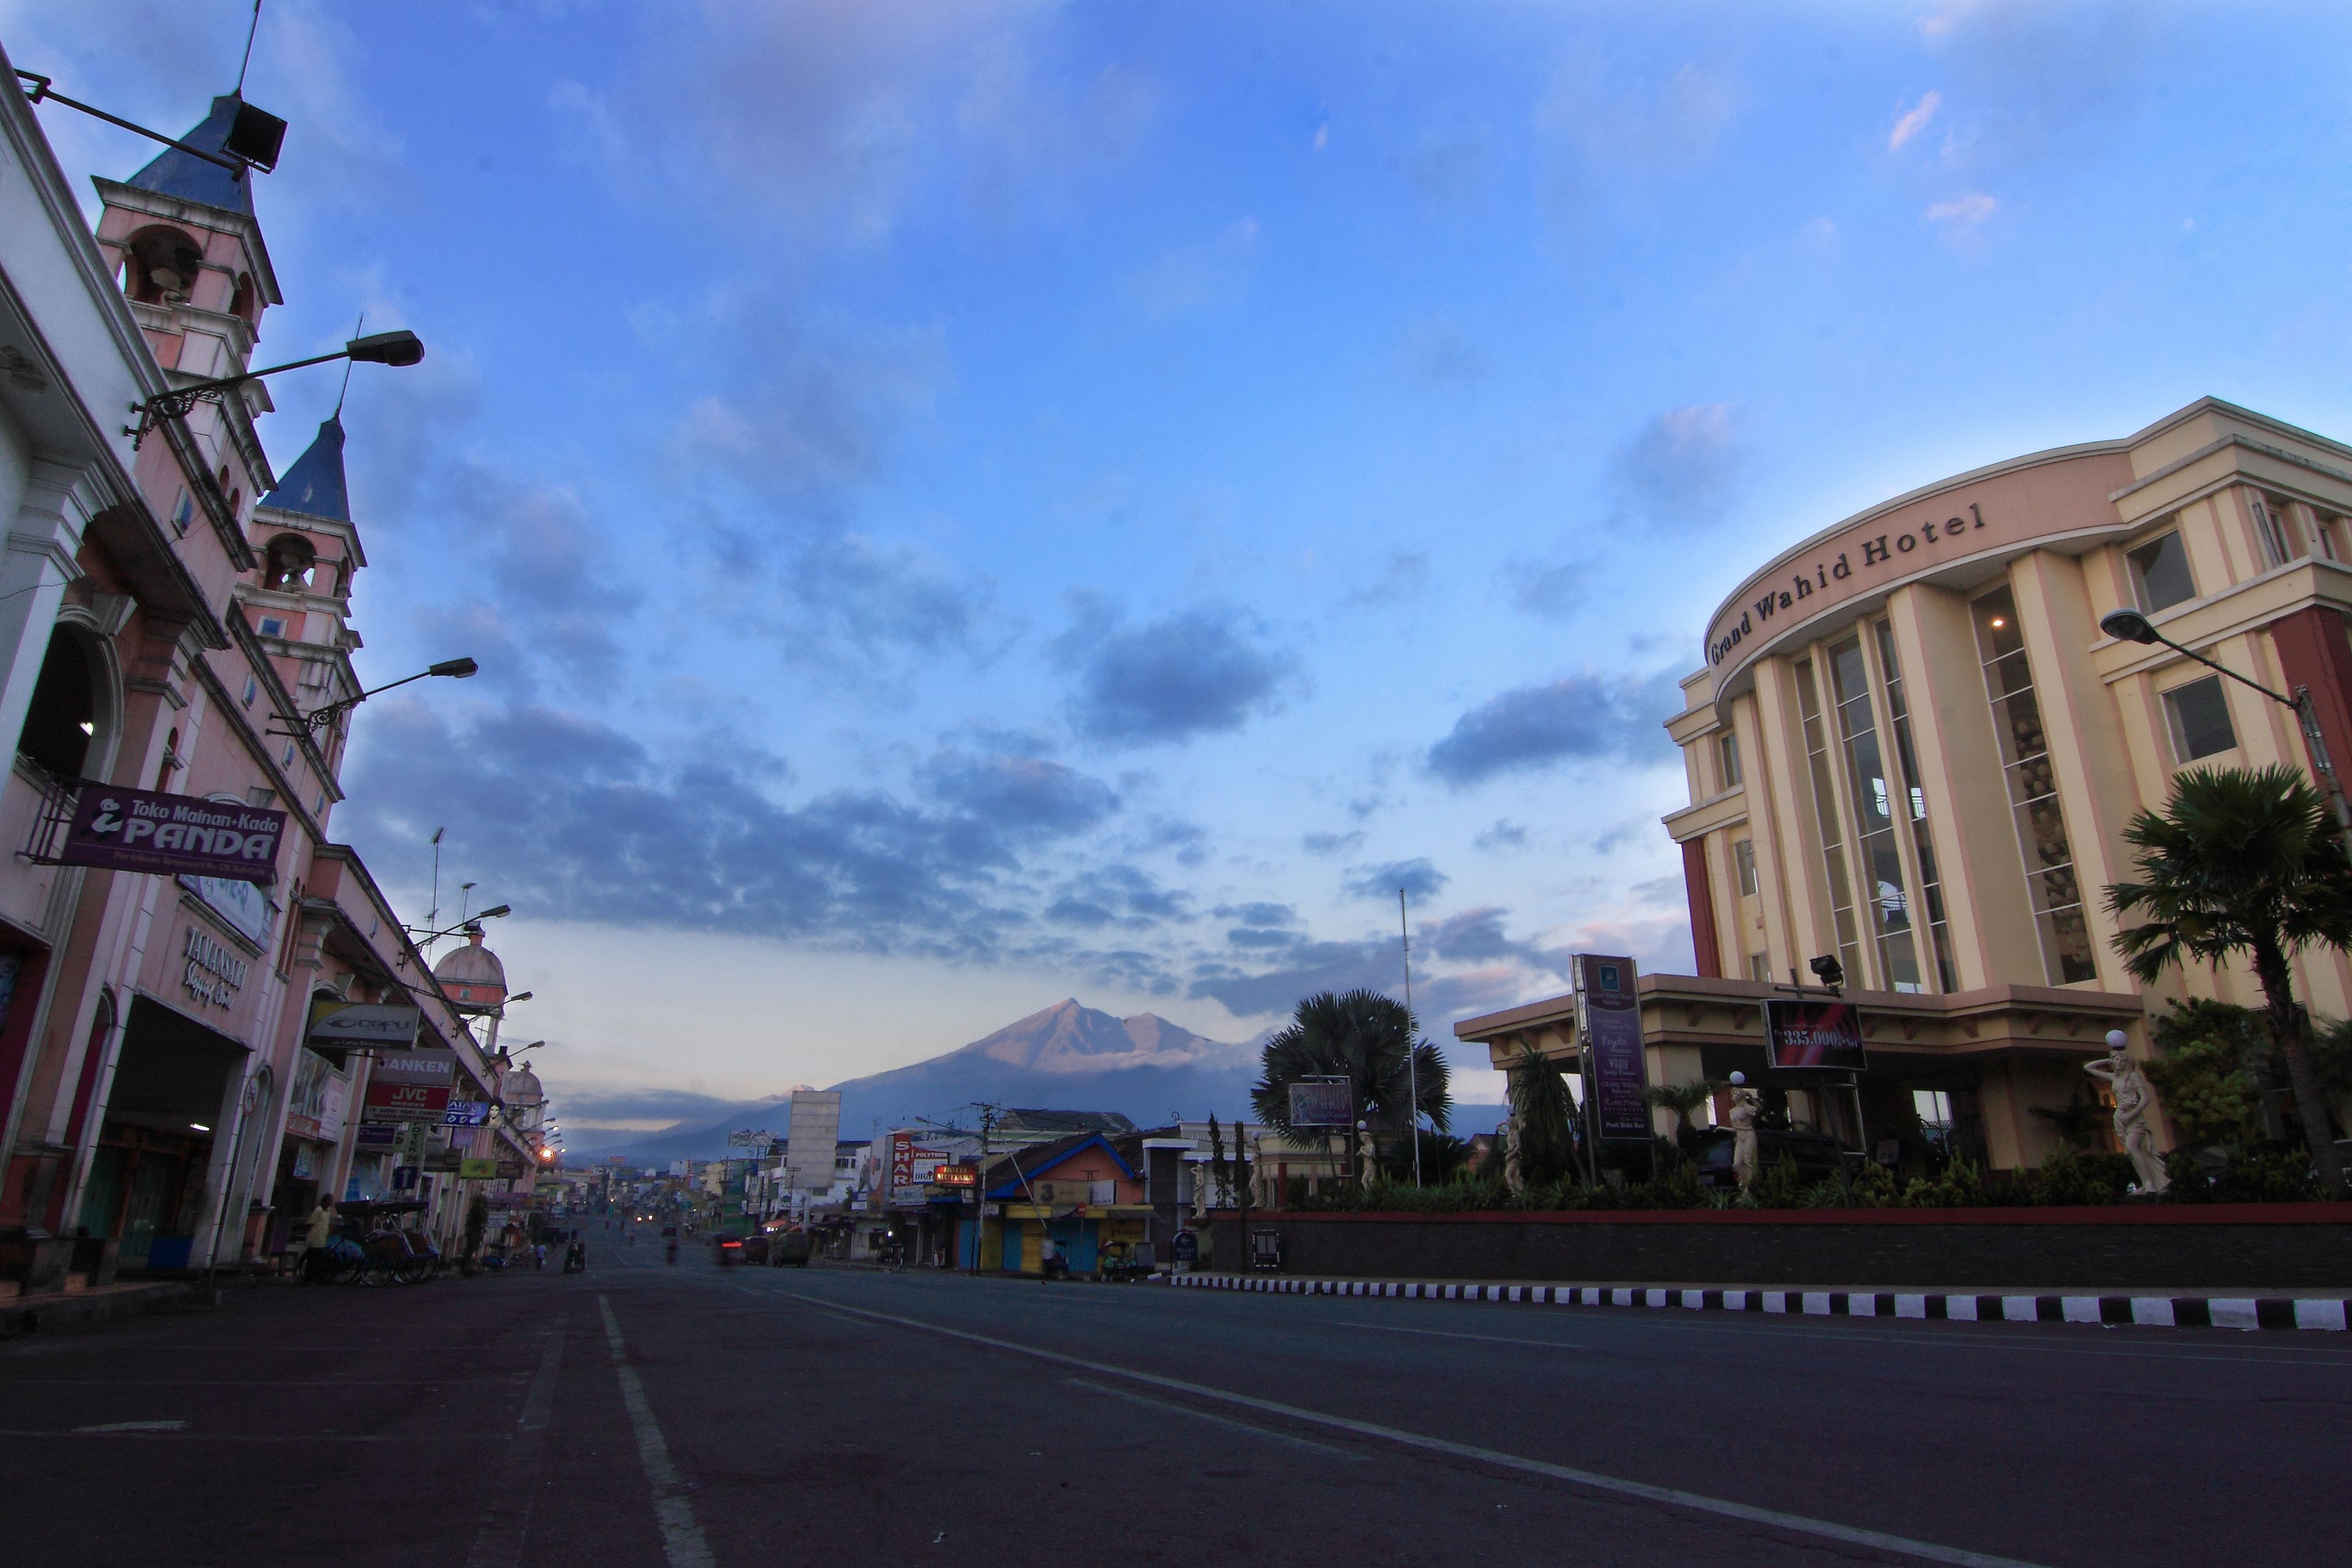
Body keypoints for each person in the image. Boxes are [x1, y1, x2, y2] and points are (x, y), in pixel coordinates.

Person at [303, 1196, 337, 1283]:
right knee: (313, 1259)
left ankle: (317, 1277)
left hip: (322, 1238)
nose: (331, 1203)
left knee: (319, 1259)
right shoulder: (319, 1210)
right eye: (330, 1201)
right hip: (315, 1238)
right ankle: (309, 1278)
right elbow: (310, 1224)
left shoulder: (327, 1212)